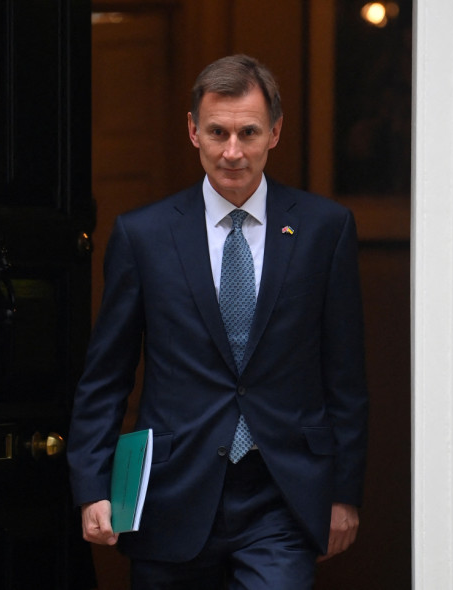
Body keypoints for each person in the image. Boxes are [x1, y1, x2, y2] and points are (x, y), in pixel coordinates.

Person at [68, 54, 368, 590]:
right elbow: (106, 372)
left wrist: (344, 493)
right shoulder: (144, 235)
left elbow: (345, 373)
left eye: (248, 133)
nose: (233, 152)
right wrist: (92, 485)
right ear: (193, 131)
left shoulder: (326, 229)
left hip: (283, 491)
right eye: (218, 132)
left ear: (275, 132)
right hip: (173, 492)